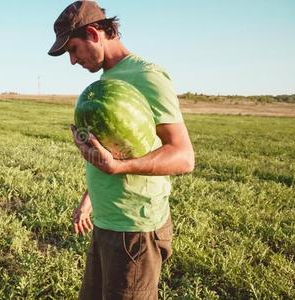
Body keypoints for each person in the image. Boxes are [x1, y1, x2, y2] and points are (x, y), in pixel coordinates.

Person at [48, 1, 195, 299]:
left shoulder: (147, 76)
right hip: (107, 220)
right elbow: (117, 149)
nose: (73, 62)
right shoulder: (108, 80)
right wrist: (89, 199)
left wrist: (117, 169)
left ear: (93, 33)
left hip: (134, 229)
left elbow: (183, 157)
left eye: (73, 50)